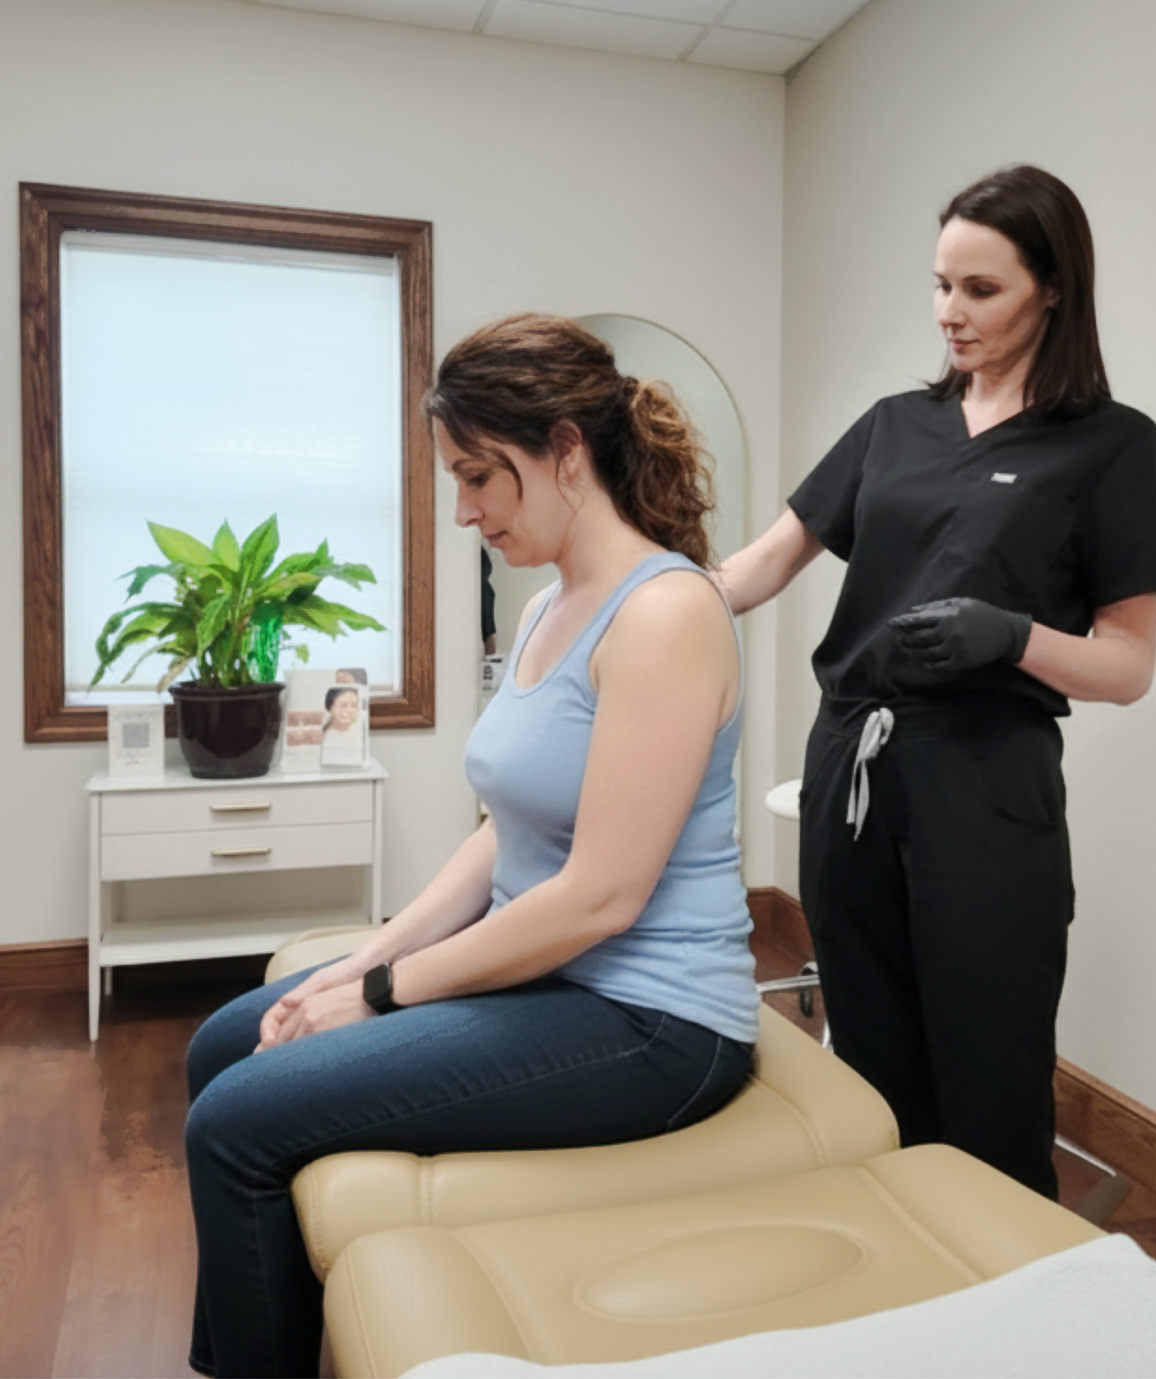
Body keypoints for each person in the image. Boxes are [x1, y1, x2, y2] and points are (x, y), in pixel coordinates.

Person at [184, 314, 758, 1378]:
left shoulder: (666, 613)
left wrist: (382, 993)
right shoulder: (549, 606)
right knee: (221, 1043)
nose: (464, 510)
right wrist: (358, 960)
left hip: (654, 1018)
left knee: (235, 1123)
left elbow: (599, 898)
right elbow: (504, 839)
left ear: (567, 450)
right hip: (556, 980)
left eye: (481, 476)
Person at [719, 165, 1156, 1200]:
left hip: (984, 776)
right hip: (852, 762)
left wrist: (1010, 635)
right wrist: (635, 595)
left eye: (980, 290)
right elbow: (759, 566)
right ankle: (898, 1279)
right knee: (869, 1054)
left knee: (988, 1063)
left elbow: (1128, 664)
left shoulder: (1112, 447)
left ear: (1051, 289)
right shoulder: (892, 425)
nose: (949, 314)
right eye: (939, 286)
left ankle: (1011, 1303)